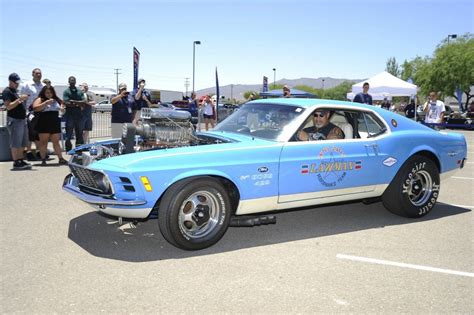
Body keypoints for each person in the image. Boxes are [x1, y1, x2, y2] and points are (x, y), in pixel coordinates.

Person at [32, 86, 68, 166]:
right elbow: (35, 108)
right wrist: (45, 103)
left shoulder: (56, 100)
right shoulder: (40, 99)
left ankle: (61, 159)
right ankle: (43, 159)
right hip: (44, 122)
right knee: (43, 142)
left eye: (51, 92)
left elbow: (63, 107)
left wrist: (62, 109)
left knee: (56, 142)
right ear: (44, 93)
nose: (49, 94)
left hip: (55, 122)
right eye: (47, 92)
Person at [2, 73, 31, 170]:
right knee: (15, 141)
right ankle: (16, 162)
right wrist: (19, 99)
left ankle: (20, 159)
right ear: (10, 81)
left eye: (18, 83)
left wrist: (23, 99)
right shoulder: (7, 92)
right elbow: (8, 106)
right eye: (16, 82)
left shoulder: (15, 91)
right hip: (14, 120)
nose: (17, 84)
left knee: (23, 141)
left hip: (22, 119)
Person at [20, 68, 44, 161]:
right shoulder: (26, 85)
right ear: (32, 74)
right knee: (30, 133)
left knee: (40, 134)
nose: (39, 75)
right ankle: (29, 152)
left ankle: (40, 152)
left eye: (40, 73)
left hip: (42, 113)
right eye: (37, 73)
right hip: (30, 113)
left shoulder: (44, 86)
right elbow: (22, 100)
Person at [63, 76, 86, 151]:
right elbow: (66, 103)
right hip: (69, 115)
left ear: (75, 82)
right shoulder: (66, 91)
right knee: (68, 134)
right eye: (71, 81)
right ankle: (68, 150)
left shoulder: (80, 91)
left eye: (73, 81)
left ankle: (78, 149)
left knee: (79, 133)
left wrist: (73, 101)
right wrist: (78, 103)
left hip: (79, 115)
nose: (72, 82)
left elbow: (84, 103)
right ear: (68, 82)